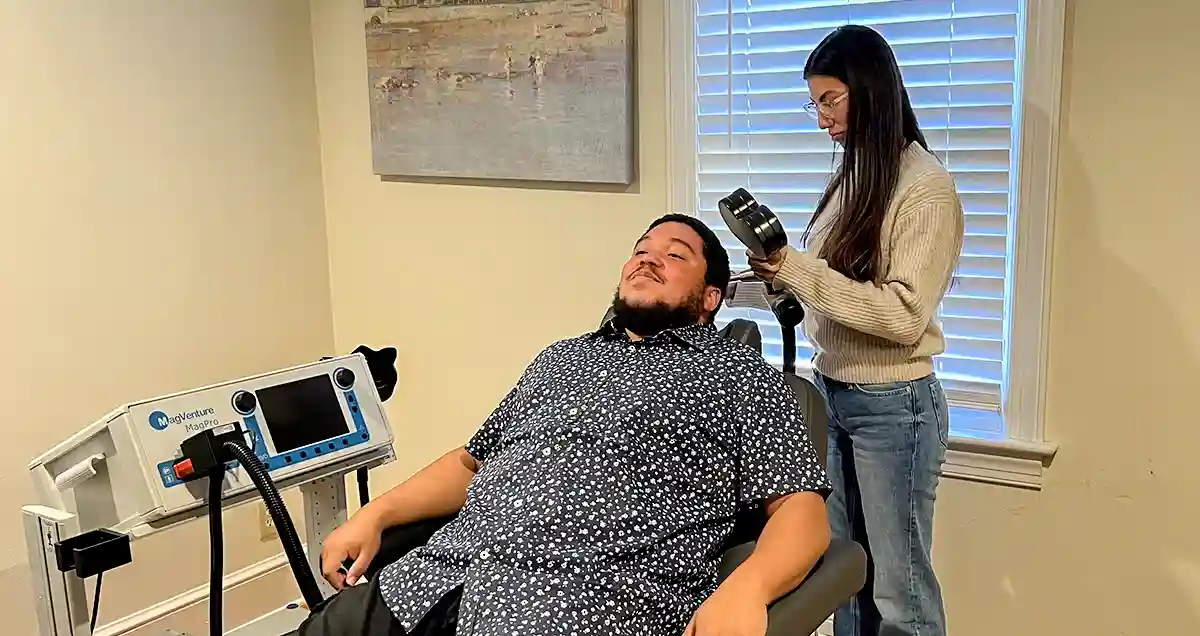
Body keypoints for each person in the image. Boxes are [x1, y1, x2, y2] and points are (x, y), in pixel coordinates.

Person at [291, 214, 834, 636]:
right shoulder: (560, 359)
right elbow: (471, 463)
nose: (649, 259)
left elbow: (802, 511)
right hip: (435, 579)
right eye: (641, 251)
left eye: (675, 255)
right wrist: (376, 514)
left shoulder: (738, 374)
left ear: (710, 297)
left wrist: (747, 589)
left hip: (581, 601)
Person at [744, 24, 965, 636]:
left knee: (901, 594)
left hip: (895, 406)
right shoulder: (855, 175)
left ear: (870, 90)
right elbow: (835, 287)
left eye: (829, 100)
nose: (822, 120)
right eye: (814, 104)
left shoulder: (925, 189)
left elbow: (902, 315)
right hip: (834, 394)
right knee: (844, 577)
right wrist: (757, 281)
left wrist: (797, 269)